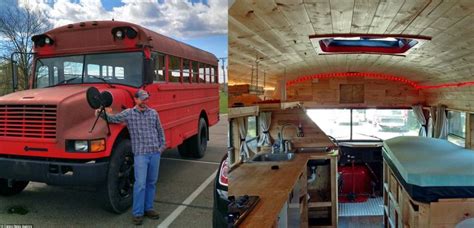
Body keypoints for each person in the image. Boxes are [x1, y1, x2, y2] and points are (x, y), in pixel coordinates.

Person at [96, 89, 166, 225]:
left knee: (151, 183)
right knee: (140, 184)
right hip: (140, 155)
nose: (145, 101)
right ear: (136, 99)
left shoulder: (153, 113)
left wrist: (161, 148)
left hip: (154, 154)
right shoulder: (129, 114)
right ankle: (138, 213)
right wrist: (101, 113)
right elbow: (113, 119)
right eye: (142, 99)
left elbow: (160, 131)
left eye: (146, 99)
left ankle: (149, 208)